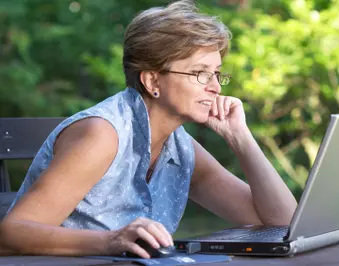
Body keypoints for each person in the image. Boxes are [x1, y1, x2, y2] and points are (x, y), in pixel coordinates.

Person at [0, 0, 297, 259]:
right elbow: (10, 235)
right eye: (200, 73)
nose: (215, 87)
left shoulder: (180, 147)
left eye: (217, 74)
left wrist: (240, 138)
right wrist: (111, 241)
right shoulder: (101, 135)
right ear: (152, 82)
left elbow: (282, 225)